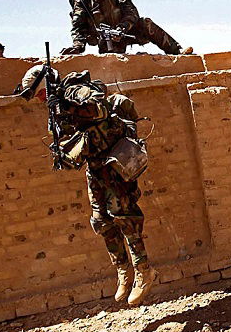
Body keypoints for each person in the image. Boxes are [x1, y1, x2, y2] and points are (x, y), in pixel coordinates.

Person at [18, 65, 158, 307]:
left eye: (40, 93)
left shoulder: (73, 91)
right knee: (101, 221)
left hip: (114, 160)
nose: (40, 99)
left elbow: (99, 110)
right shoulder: (55, 109)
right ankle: (123, 271)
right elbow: (69, 139)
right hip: (95, 167)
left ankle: (144, 271)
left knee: (124, 216)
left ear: (47, 85)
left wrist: (67, 102)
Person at [60, 0, 192, 56]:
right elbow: (78, 26)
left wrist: (122, 28)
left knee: (146, 23)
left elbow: (132, 13)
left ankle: (176, 51)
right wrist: (77, 46)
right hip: (104, 39)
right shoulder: (83, 0)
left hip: (125, 31)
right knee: (113, 62)